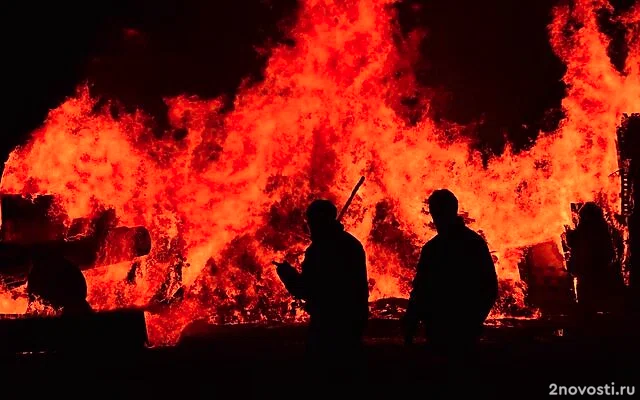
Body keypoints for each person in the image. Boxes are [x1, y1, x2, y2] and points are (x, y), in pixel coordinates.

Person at [273, 199, 369, 378]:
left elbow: (306, 289)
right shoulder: (351, 244)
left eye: (311, 222)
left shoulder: (320, 250)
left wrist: (287, 274)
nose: (310, 227)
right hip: (353, 317)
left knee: (322, 373)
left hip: (327, 321)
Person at [403, 189, 498, 355]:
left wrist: (411, 325)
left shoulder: (434, 249)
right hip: (465, 331)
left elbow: (421, 291)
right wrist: (475, 321)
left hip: (440, 331)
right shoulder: (475, 243)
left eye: (436, 212)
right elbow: (489, 287)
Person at [566, 202, 621, 316]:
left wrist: (569, 233)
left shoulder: (584, 229)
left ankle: (586, 320)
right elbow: (610, 252)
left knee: (586, 297)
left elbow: (572, 242)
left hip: (587, 269)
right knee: (593, 295)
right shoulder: (602, 229)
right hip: (596, 269)